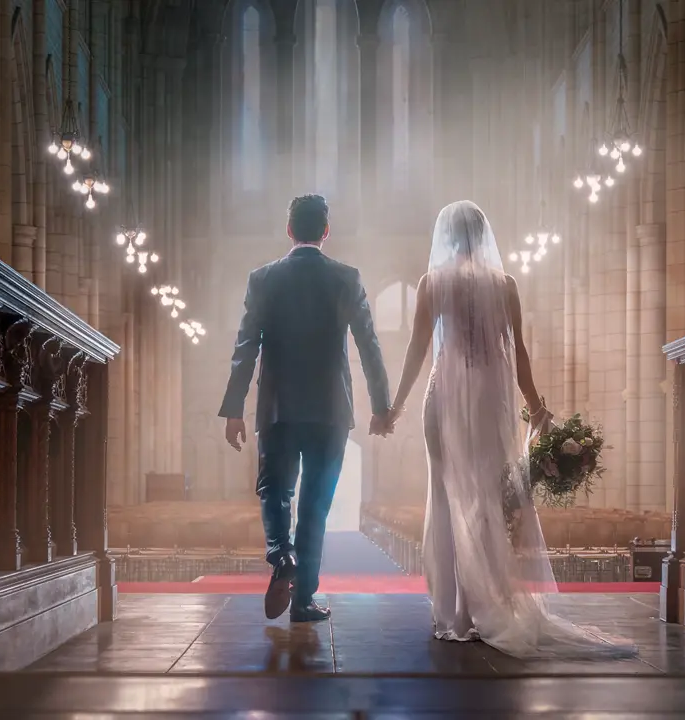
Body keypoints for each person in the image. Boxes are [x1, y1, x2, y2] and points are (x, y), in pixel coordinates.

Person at [385, 200, 635, 659]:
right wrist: (536, 407)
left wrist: (394, 407)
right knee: (488, 499)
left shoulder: (432, 284)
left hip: (444, 396)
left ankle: (457, 612)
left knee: (447, 496)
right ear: (483, 236)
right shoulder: (505, 285)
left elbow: (418, 351)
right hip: (489, 398)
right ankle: (488, 605)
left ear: (446, 236)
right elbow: (518, 353)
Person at [219, 194, 395, 623]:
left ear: (289, 230)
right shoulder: (346, 278)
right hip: (331, 410)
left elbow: (245, 347)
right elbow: (369, 344)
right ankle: (303, 602)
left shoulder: (263, 279)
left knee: (275, 492)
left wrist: (234, 408)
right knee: (315, 506)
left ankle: (282, 557)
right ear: (325, 232)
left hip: (278, 407)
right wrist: (381, 406)